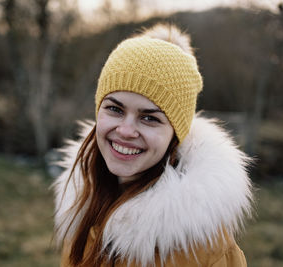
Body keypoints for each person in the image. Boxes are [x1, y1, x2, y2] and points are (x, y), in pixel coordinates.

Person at [52, 23, 253, 267]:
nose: (125, 131)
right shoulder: (84, 204)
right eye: (115, 109)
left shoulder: (206, 250)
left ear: (175, 135)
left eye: (149, 118)